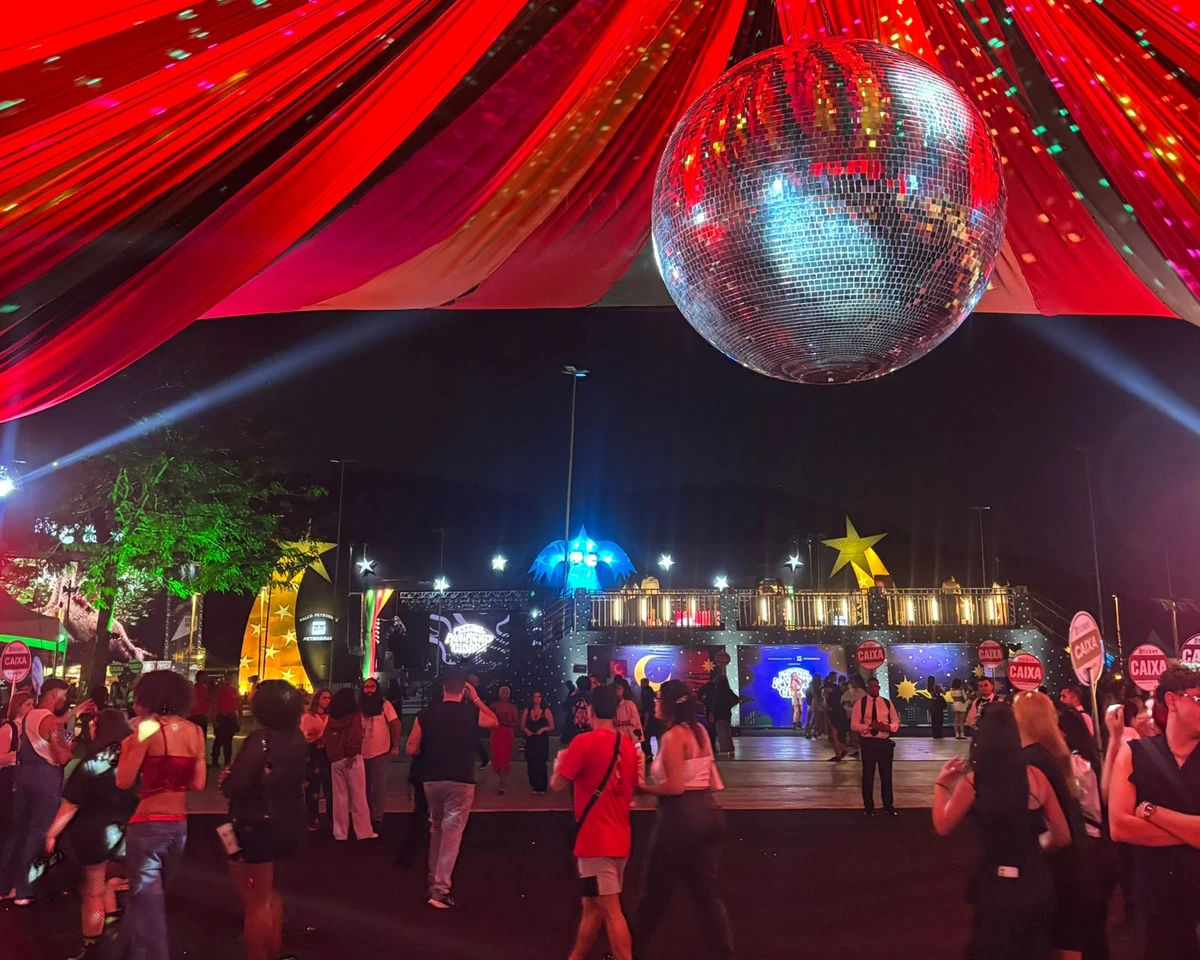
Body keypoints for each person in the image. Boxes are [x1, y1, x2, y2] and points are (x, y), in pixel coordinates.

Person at [932, 703, 1071, 960]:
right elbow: (1062, 835)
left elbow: (942, 824)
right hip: (1034, 880)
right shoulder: (1036, 777)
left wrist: (941, 786)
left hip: (995, 883)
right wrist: (1037, 847)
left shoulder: (975, 781)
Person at [631, 679, 733, 960]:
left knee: (654, 893)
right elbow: (711, 781)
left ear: (668, 704)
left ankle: (629, 952)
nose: (655, 703)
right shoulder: (699, 731)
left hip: (679, 819)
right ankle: (724, 954)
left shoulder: (674, 736)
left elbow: (675, 787)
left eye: (658, 698)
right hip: (709, 815)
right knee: (706, 896)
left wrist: (643, 788)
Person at [111, 671, 206, 960]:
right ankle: (120, 950)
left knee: (148, 906)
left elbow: (123, 780)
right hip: (179, 825)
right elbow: (198, 783)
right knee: (147, 900)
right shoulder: (195, 731)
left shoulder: (147, 728)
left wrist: (127, 748)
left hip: (148, 824)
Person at [1109, 664, 1200, 959]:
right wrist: (1192, 832)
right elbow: (1119, 826)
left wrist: (1153, 812)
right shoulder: (1135, 752)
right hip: (1155, 898)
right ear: (1172, 700)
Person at [220, 680, 307, 960]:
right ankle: (273, 947)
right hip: (288, 820)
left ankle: (259, 953)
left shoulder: (261, 740)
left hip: (252, 824)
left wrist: (226, 778)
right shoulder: (297, 738)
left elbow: (234, 786)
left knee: (254, 901)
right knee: (269, 892)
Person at [551, 683, 639, 960]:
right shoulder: (627, 746)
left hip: (594, 841)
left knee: (611, 910)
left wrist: (558, 764)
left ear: (589, 710)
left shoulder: (583, 743)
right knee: (592, 906)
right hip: (620, 838)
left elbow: (557, 784)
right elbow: (632, 788)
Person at [44, 709, 137, 958]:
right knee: (118, 881)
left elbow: (70, 804)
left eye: (94, 724)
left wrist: (52, 834)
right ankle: (119, 933)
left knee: (93, 889)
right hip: (127, 830)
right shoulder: (133, 758)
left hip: (95, 832)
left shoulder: (93, 762)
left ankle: (92, 945)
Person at [405, 668, 498, 908]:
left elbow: (411, 747)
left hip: (432, 779)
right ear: (464, 690)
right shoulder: (470, 713)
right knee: (452, 834)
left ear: (443, 688)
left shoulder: (426, 715)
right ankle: (440, 890)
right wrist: (476, 699)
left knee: (437, 829)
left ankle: (432, 880)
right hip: (460, 779)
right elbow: (494, 721)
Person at [1014, 692, 1090, 960]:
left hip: (1050, 864)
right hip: (1075, 859)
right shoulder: (1056, 753)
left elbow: (1056, 830)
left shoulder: (1029, 760)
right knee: (1069, 936)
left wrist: (1033, 846)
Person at [0, 679, 83, 905]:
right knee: (35, 833)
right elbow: (61, 757)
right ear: (54, 694)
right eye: (64, 695)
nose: (65, 699)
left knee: (17, 833)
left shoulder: (30, 716)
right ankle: (23, 889)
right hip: (45, 782)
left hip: (24, 778)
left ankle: (4, 886)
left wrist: (74, 713)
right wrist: (68, 749)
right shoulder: (52, 722)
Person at [323, 688, 375, 841]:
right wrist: (352, 753)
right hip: (351, 759)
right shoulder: (354, 717)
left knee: (339, 797)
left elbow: (326, 737)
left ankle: (340, 832)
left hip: (335, 760)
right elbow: (355, 736)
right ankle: (363, 832)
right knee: (359, 797)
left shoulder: (332, 718)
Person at [850, 677, 900, 817]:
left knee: (886, 776)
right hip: (868, 743)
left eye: (876, 686)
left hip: (884, 743)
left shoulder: (887, 703)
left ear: (879, 687)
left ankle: (888, 806)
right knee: (868, 775)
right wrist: (870, 727)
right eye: (871, 686)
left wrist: (887, 727)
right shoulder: (861, 704)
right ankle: (868, 807)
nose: (874, 689)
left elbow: (896, 722)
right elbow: (854, 725)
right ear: (867, 688)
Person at [360, 677, 400, 831]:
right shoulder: (359, 706)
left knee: (378, 787)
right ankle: (366, 816)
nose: (369, 690)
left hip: (380, 752)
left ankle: (377, 818)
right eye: (366, 687)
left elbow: (396, 724)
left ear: (377, 689)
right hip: (361, 753)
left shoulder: (385, 705)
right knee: (363, 788)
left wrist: (395, 745)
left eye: (372, 687)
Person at [0, 691, 33, 838]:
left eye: (32, 704)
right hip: (9, 776)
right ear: (18, 706)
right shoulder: (8, 728)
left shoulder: (30, 727)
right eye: (28, 704)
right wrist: (18, 755)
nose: (31, 708)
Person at [301, 688, 332, 831]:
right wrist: (313, 736)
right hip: (313, 755)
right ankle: (313, 818)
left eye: (328, 698)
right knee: (313, 788)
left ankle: (331, 818)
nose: (326, 701)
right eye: (324, 698)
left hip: (328, 755)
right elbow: (303, 736)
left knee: (329, 788)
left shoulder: (331, 717)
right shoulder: (308, 717)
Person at [521, 690, 554, 793]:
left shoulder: (546, 711)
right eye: (535, 697)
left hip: (541, 739)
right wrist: (527, 731)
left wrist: (543, 729)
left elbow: (552, 726)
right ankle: (534, 786)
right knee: (531, 762)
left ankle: (542, 786)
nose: (537, 699)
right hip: (530, 739)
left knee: (541, 762)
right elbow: (522, 725)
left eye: (539, 697)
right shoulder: (527, 711)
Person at [489, 686, 519, 794]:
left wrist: (505, 722)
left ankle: (502, 783)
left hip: (507, 733)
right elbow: (487, 719)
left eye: (506, 692)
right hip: (496, 733)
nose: (504, 694)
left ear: (509, 694)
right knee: (497, 757)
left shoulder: (512, 707)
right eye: (502, 692)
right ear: (499, 693)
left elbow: (516, 722)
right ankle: (500, 779)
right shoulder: (494, 706)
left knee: (504, 757)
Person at [212, 677, 241, 768]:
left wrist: (238, 720)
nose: (228, 681)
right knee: (219, 740)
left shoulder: (234, 691)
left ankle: (227, 760)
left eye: (229, 679)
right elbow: (215, 706)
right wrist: (214, 720)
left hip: (230, 717)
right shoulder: (220, 691)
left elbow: (238, 705)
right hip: (222, 717)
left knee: (228, 740)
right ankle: (215, 759)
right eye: (227, 679)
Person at [708, 674, 738, 758]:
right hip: (727, 714)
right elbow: (736, 699)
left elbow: (715, 704)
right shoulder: (727, 691)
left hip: (719, 715)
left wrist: (713, 712)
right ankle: (730, 749)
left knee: (722, 733)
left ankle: (725, 750)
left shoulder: (717, 692)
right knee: (727, 732)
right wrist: (729, 706)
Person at [841, 674, 867, 759]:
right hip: (850, 715)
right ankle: (857, 750)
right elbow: (843, 702)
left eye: (853, 682)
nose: (852, 683)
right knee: (853, 734)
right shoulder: (849, 692)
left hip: (859, 716)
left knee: (858, 734)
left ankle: (860, 750)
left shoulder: (862, 693)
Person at [562, 677, 593, 745]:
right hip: (589, 732)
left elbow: (564, 707)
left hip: (573, 733)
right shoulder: (593, 699)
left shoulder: (573, 698)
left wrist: (571, 694)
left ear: (578, 686)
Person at [613, 678, 642, 746]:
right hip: (620, 737)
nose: (616, 691)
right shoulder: (617, 703)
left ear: (624, 690)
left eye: (619, 689)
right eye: (616, 689)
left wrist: (620, 723)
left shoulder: (629, 703)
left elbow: (636, 721)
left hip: (629, 738)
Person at [824, 673, 845, 762]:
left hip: (833, 713)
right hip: (838, 712)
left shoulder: (831, 694)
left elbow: (826, 704)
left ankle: (838, 753)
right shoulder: (838, 690)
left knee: (834, 735)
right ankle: (840, 750)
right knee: (834, 734)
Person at [637, 678, 657, 762]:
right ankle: (648, 754)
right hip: (649, 717)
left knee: (645, 736)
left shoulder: (646, 692)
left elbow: (647, 709)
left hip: (647, 718)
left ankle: (647, 754)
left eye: (642, 682)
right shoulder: (649, 691)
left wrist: (645, 723)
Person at [188, 671, 211, 739]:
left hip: (194, 716)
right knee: (201, 738)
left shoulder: (192, 689)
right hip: (200, 716)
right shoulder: (202, 689)